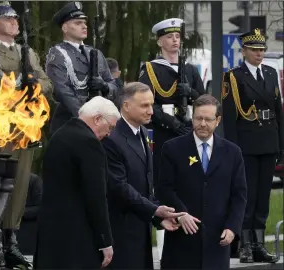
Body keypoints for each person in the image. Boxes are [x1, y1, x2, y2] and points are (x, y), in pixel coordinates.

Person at [0, 2, 53, 269]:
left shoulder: (27, 52)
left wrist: (35, 87)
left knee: (20, 186)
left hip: (24, 128)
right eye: (6, 18)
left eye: (14, 19)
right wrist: (16, 95)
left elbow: (47, 81)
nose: (14, 22)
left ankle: (11, 241)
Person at [138, 17, 205, 260]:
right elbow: (147, 104)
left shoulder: (189, 69)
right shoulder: (151, 69)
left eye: (177, 36)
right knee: (167, 184)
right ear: (160, 41)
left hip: (190, 131)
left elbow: (205, 102)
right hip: (167, 133)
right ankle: (166, 236)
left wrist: (193, 93)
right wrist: (171, 123)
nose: (174, 41)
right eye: (169, 37)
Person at [156, 94, 247, 269]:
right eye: (198, 118)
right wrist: (181, 213)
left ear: (218, 120)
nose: (203, 124)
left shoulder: (232, 152)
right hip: (182, 241)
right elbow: (164, 189)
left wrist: (232, 227)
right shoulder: (172, 148)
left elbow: (239, 195)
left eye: (208, 119)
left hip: (217, 241)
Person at [102, 82, 185, 269]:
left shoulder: (143, 132)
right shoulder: (112, 138)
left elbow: (144, 183)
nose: (151, 111)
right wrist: (154, 211)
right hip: (121, 232)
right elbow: (119, 187)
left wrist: (157, 217)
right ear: (126, 106)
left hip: (141, 230)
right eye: (144, 105)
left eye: (151, 104)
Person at [35, 96, 120, 269]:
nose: (109, 133)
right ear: (97, 119)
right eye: (110, 127)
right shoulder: (89, 143)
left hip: (50, 232)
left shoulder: (60, 135)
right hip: (77, 238)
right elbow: (96, 196)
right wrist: (105, 240)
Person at [222, 28, 283, 264]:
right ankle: (245, 245)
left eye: (262, 50)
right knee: (246, 197)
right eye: (255, 50)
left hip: (268, 140)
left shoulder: (270, 72)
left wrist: (281, 145)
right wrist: (232, 149)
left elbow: (278, 112)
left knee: (263, 198)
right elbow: (229, 116)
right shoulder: (234, 77)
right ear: (244, 51)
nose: (259, 54)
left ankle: (259, 244)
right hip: (246, 143)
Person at [46, 1, 119, 135]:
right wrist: (86, 118)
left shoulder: (96, 53)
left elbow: (114, 85)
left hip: (99, 122)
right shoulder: (57, 54)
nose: (84, 26)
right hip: (70, 121)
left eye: (84, 23)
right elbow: (62, 91)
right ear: (65, 28)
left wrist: (104, 86)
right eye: (78, 23)